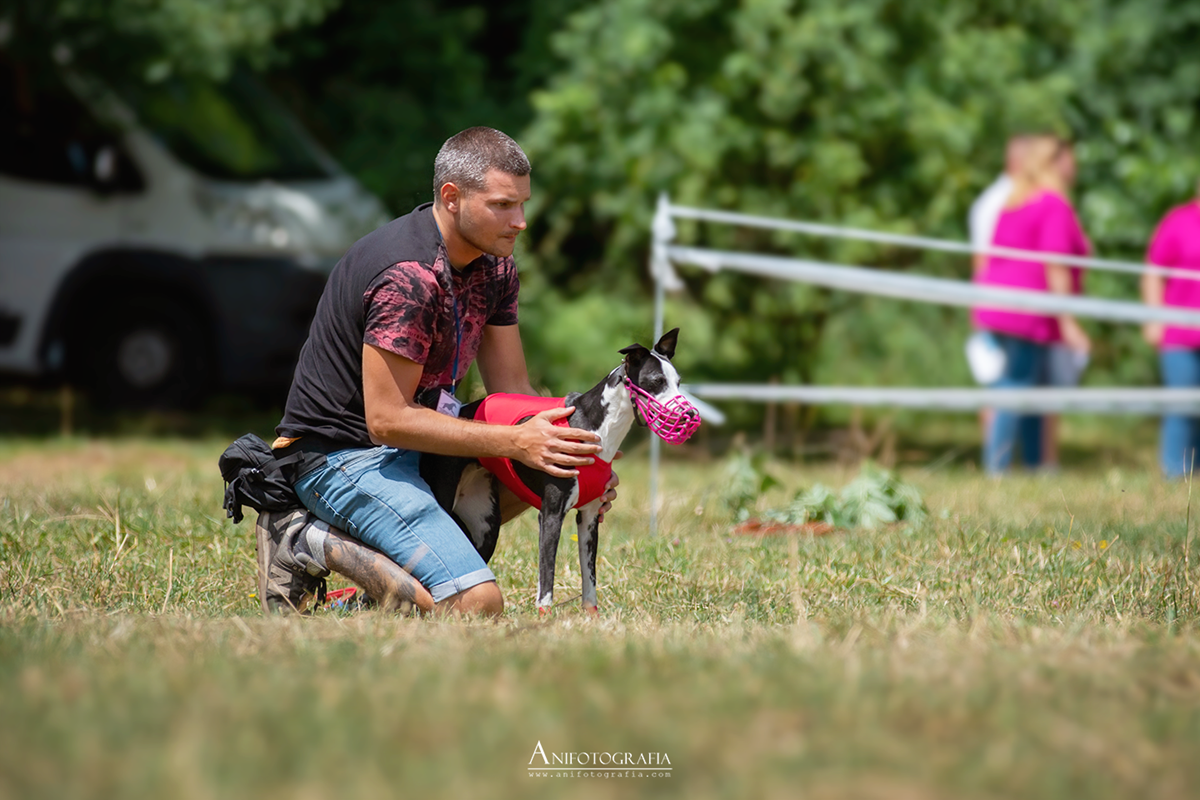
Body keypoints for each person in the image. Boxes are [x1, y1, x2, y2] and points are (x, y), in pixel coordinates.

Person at [265, 127, 619, 616]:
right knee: (478, 606)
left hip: (419, 445)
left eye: (523, 204)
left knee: (543, 462)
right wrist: (515, 443)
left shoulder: (495, 265)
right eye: (502, 205)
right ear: (451, 198)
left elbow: (512, 392)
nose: (519, 222)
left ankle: (386, 590)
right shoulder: (408, 276)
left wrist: (578, 456)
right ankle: (306, 539)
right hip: (341, 457)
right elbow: (385, 421)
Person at [972, 134, 1091, 473]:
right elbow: (1055, 264)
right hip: (1027, 312)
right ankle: (998, 468)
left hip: (1003, 306)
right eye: (1068, 158)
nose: (1075, 166)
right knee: (1017, 386)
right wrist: (1067, 321)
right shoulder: (1052, 204)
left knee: (1028, 387)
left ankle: (1032, 466)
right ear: (1053, 163)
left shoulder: (1015, 201)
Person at [1141, 180, 1200, 478]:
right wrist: (1155, 318)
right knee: (1181, 407)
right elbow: (1153, 271)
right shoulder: (1178, 221)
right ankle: (1174, 476)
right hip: (1180, 335)